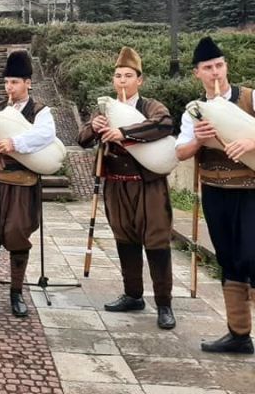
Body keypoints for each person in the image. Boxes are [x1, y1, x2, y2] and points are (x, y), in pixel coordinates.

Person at [78, 47, 176, 329]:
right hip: (117, 186)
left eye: (128, 76)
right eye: (118, 75)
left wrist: (124, 132)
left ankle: (164, 304)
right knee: (125, 239)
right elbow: (82, 137)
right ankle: (133, 294)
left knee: (156, 241)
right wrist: (95, 127)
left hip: (148, 186)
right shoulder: (105, 109)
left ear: (139, 80)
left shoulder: (150, 107)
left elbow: (165, 125)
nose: (122, 81)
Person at [176, 36, 255, 354]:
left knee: (252, 256)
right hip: (215, 191)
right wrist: (197, 140)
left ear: (227, 67)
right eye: (208, 68)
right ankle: (238, 335)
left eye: (219, 65)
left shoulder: (249, 98)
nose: (215, 72)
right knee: (229, 259)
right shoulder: (194, 112)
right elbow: (180, 152)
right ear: (197, 73)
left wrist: (251, 141)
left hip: (251, 191)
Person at [0, 50, 56, 317]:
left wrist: (14, 143)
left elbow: (45, 135)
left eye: (15, 82)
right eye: (7, 82)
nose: (10, 88)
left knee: (17, 234)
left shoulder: (40, 111)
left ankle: (17, 292)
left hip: (21, 183)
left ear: (28, 82)